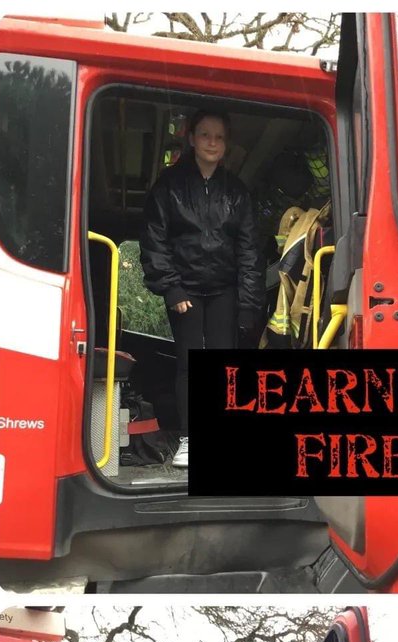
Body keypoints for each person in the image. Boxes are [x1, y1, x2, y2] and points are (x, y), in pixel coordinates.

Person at [140, 109, 265, 468]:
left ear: (226, 145)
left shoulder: (237, 193)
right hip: (186, 290)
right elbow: (154, 239)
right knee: (191, 365)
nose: (212, 142)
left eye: (219, 137)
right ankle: (190, 440)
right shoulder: (169, 187)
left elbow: (249, 251)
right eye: (205, 135)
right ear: (192, 139)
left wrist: (248, 303)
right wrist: (171, 289)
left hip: (225, 289)